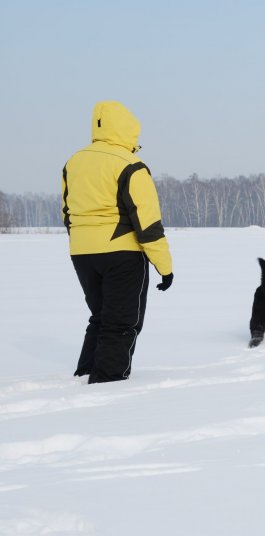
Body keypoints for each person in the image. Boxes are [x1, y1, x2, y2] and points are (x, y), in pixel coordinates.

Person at [61, 101, 174, 384]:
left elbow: (67, 211)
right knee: (122, 321)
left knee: (100, 317)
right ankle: (107, 384)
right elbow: (147, 223)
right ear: (129, 130)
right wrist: (165, 267)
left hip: (82, 252)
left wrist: (83, 243)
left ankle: (84, 374)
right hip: (122, 253)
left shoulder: (73, 162)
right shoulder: (131, 165)